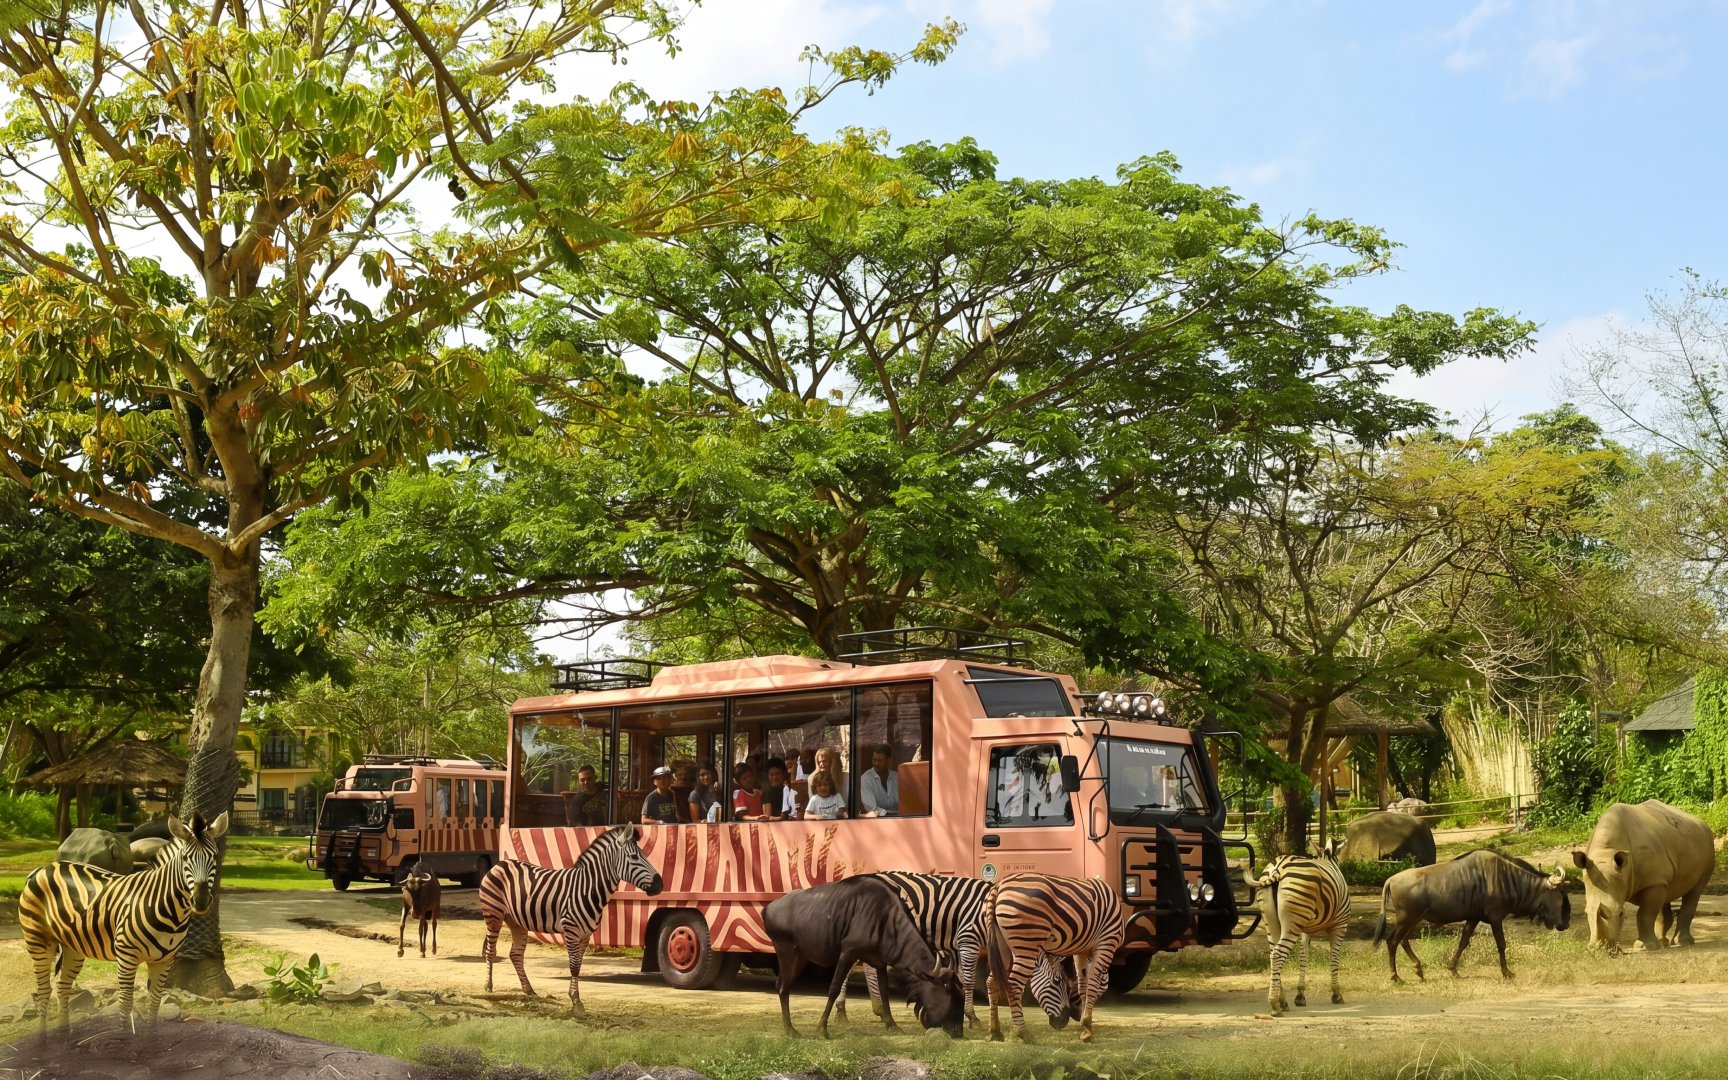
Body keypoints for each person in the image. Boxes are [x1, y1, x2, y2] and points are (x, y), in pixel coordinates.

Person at [860, 743, 899, 817]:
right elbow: (872, 809)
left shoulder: (897, 777)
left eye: (880, 760)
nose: (876, 763)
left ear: (889, 760)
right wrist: (896, 815)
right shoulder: (865, 779)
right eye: (874, 760)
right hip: (877, 822)